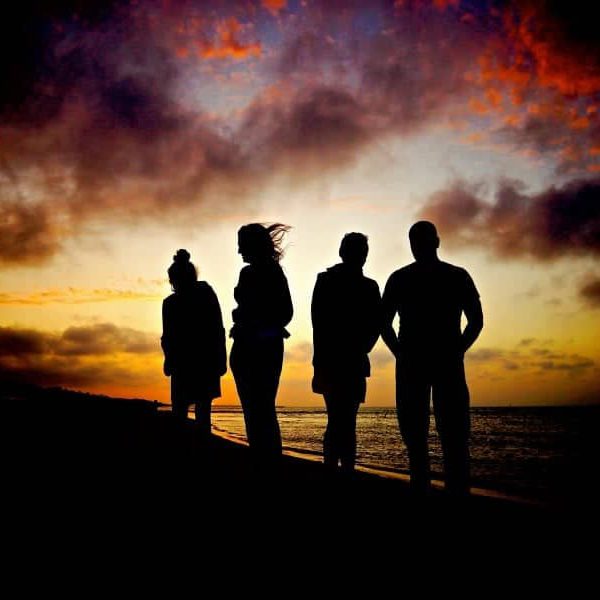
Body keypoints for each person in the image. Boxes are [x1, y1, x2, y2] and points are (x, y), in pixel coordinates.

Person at [381, 221, 483, 496]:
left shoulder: (402, 278)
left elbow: (383, 324)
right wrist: (458, 349)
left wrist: (400, 352)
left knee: (430, 437)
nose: (419, 247)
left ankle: (433, 492)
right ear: (435, 242)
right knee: (445, 437)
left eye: (419, 242)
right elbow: (476, 321)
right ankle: (450, 493)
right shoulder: (455, 276)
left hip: (426, 362)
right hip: (434, 362)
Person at [311, 233, 381, 473]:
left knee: (339, 420)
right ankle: (340, 470)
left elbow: (319, 325)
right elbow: (319, 324)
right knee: (343, 421)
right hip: (339, 361)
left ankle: (337, 470)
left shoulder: (362, 285)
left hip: (343, 361)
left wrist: (363, 347)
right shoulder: (333, 281)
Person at [229, 223, 293, 463]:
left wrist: (251, 320)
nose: (239, 251)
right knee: (256, 410)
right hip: (248, 347)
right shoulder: (248, 273)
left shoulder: (273, 273)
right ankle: (262, 459)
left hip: (262, 348)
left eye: (242, 245)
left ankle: (268, 461)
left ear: (253, 246)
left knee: (262, 409)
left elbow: (286, 313)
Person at [161, 249, 226, 437]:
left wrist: (168, 360)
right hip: (200, 363)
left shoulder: (172, 302)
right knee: (201, 414)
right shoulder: (205, 293)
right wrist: (221, 359)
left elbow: (167, 338)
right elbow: (218, 330)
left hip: (192, 364)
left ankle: (189, 450)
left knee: (183, 413)